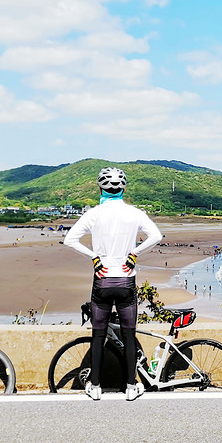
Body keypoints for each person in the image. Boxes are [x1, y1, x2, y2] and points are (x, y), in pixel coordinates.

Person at [63, 167, 163, 402]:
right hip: (126, 280)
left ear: (100, 188)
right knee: (129, 336)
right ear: (123, 188)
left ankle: (95, 386)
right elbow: (156, 236)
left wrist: (95, 257)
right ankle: (131, 386)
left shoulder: (93, 214)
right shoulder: (134, 213)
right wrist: (134, 253)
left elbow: (70, 239)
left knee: (98, 336)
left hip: (102, 280)